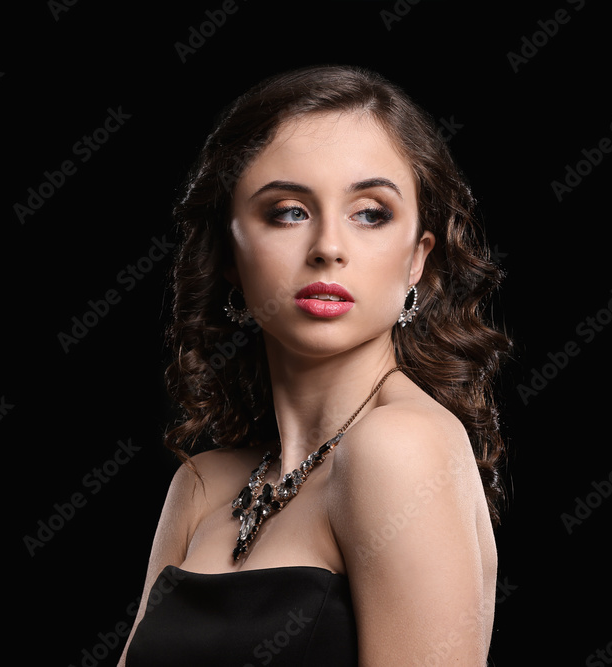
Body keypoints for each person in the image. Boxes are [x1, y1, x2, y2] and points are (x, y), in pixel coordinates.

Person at [119, 64, 511, 666]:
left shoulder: (401, 446)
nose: (328, 246)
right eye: (288, 211)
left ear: (417, 261)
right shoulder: (202, 488)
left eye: (370, 212)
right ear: (229, 253)